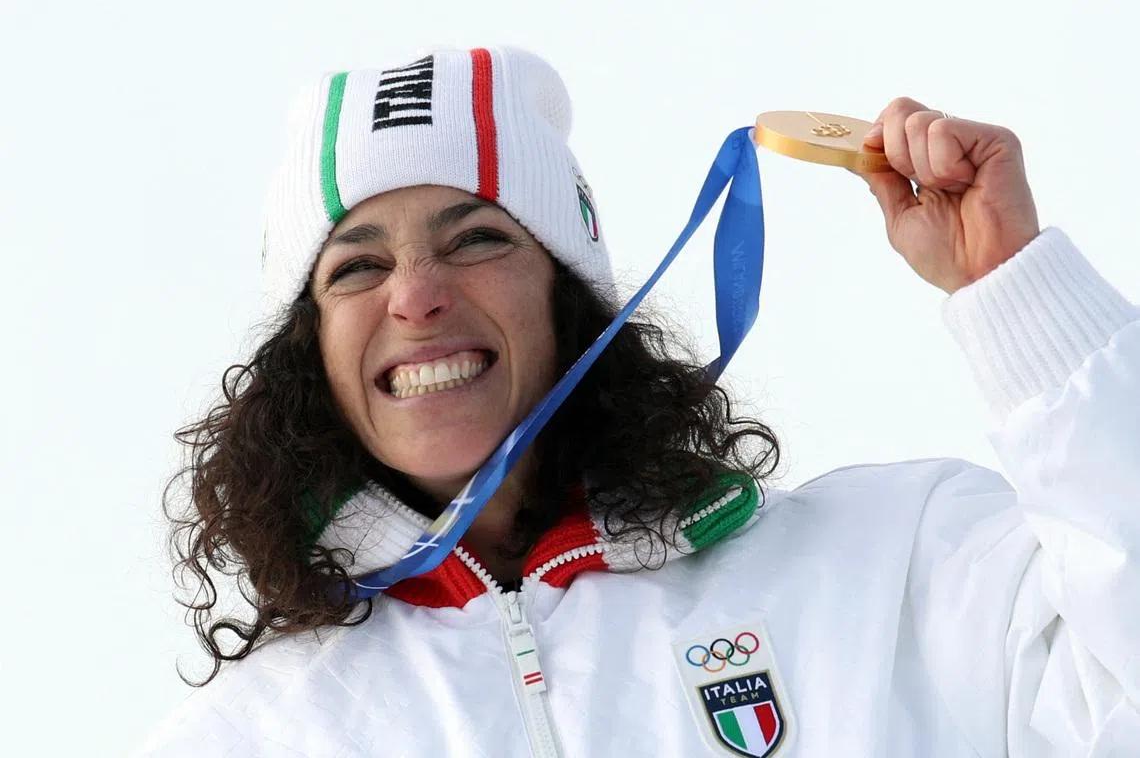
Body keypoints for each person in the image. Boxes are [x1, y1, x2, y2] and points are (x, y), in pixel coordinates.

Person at [139, 46, 1139, 757]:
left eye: (477, 238)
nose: (415, 294)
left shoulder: (896, 568)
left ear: (569, 302)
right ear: (306, 359)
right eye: (355, 266)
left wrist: (1022, 295)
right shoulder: (253, 735)